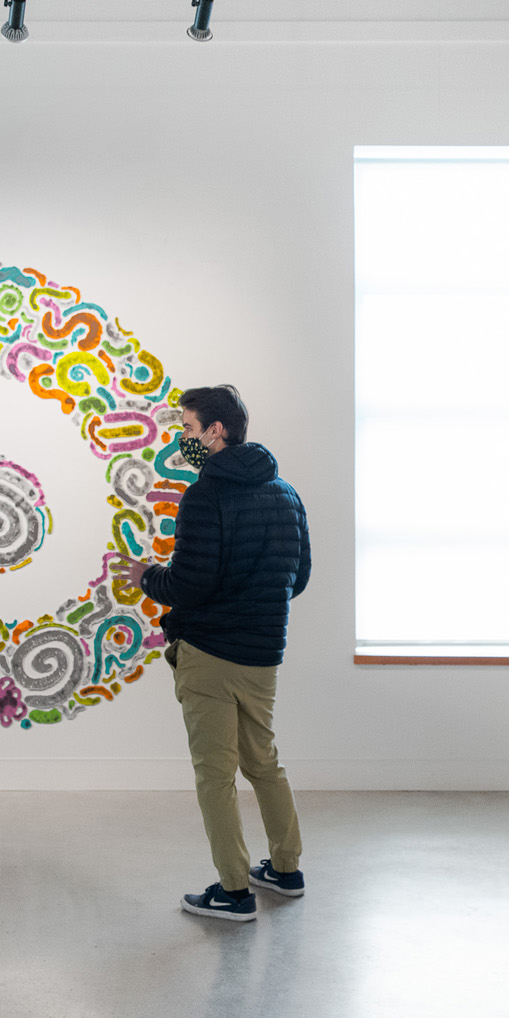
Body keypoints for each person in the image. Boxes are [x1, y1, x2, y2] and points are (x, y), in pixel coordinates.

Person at [118, 386, 311, 922]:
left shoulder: (205, 496)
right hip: (263, 652)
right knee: (264, 763)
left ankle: (233, 891)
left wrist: (146, 577)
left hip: (209, 654)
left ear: (215, 431)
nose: (183, 438)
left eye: (188, 428)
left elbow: (189, 584)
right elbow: (297, 579)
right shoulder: (286, 494)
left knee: (215, 775)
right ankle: (286, 870)